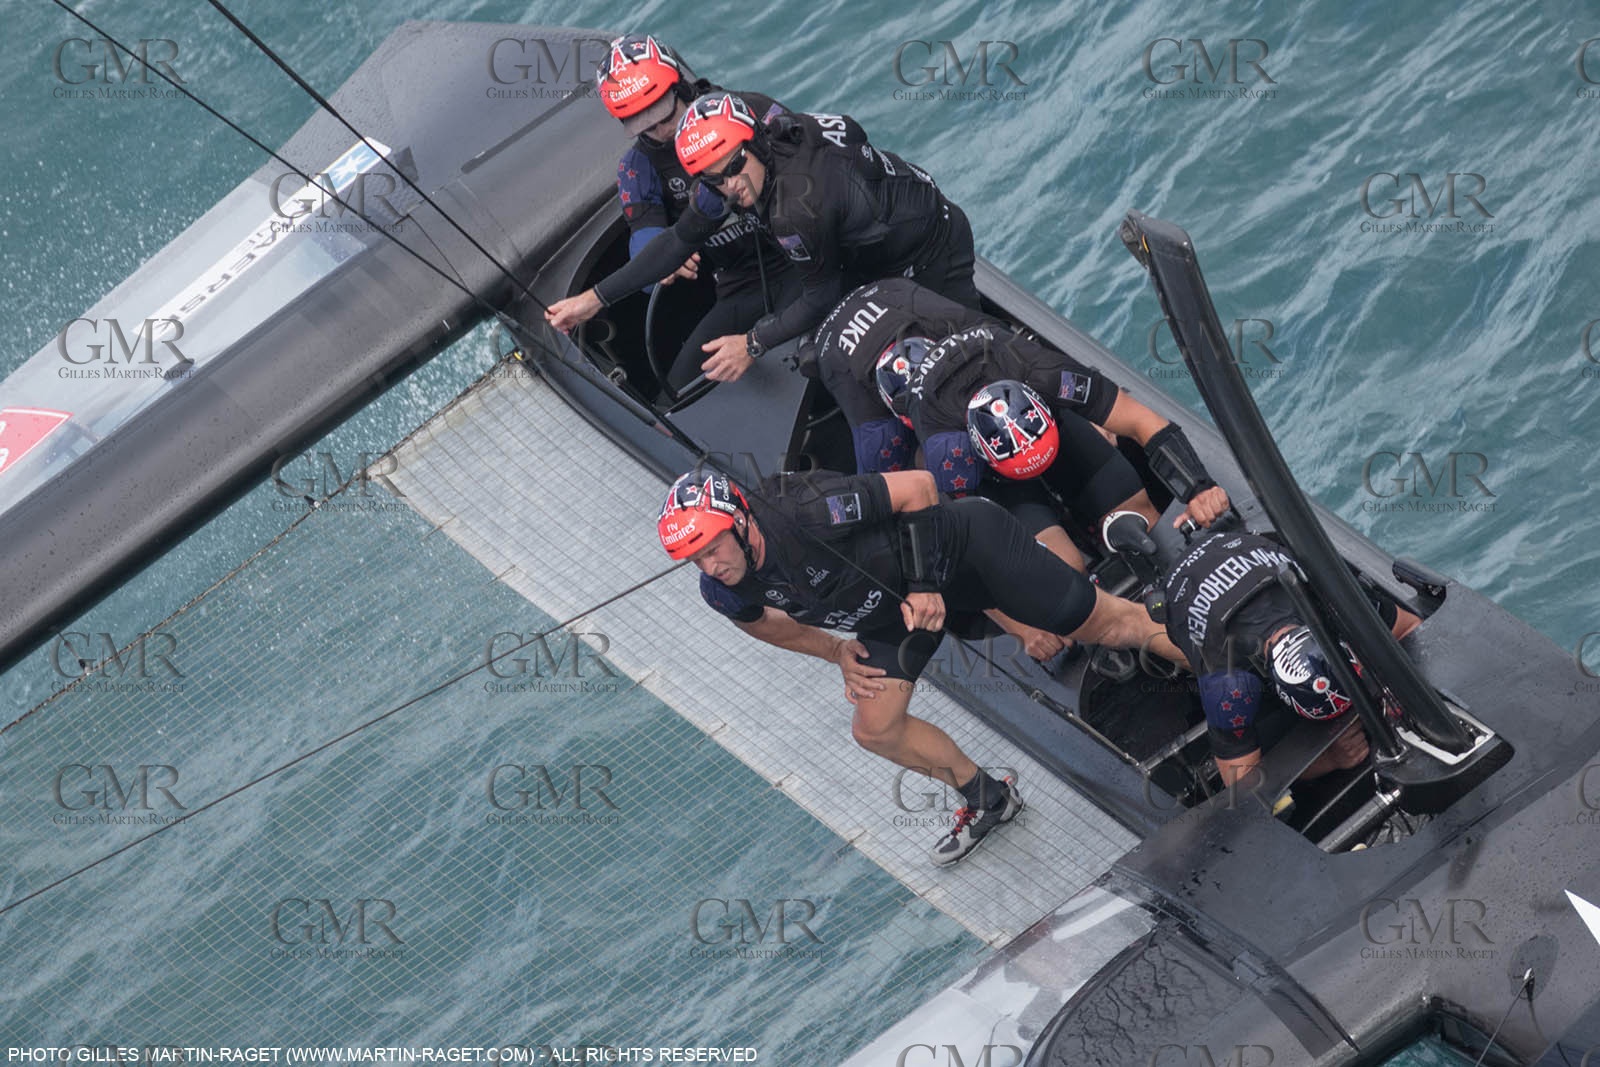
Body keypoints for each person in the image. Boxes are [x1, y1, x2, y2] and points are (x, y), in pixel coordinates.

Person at [657, 465, 1190, 865]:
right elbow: (758, 622)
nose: (710, 566)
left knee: (1109, 625)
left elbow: (919, 487)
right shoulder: (724, 586)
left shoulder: (806, 510)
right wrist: (835, 650)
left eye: (712, 548)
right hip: (894, 614)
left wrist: (925, 583)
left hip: (965, 551)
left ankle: (1218, 652)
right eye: (696, 559)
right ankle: (990, 798)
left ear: (740, 520)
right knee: (875, 728)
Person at [543, 36, 797, 394]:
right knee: (677, 391)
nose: (664, 131)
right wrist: (659, 262)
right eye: (644, 125)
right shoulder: (639, 166)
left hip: (802, 256)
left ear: (680, 87)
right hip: (743, 283)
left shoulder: (746, 111)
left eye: (665, 115)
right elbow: (657, 250)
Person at [902, 321, 1232, 531]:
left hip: (1054, 431)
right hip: (993, 479)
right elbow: (972, 543)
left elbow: (1140, 419)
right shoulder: (947, 448)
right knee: (1065, 566)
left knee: (1140, 516)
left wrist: (1197, 487)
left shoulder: (1047, 374)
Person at [1158, 529, 1421, 787]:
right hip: (1181, 594)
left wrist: (1396, 692)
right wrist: (1329, 760)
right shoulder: (1229, 684)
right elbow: (1239, 781)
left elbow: (1413, 629)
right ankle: (1127, 624)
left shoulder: (1330, 601)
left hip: (1243, 548)